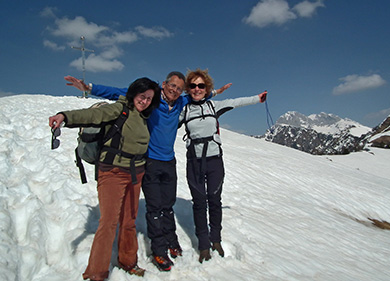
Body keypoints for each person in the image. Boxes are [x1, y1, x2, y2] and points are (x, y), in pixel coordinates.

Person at [64, 73, 231, 271]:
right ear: (164, 84)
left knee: (168, 205)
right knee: (154, 208)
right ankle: (159, 251)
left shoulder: (180, 102)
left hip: (169, 162)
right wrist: (89, 88)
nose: (175, 90)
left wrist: (215, 92)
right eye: (172, 86)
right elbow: (120, 93)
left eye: (179, 88)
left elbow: (198, 96)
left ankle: (172, 241)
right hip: (150, 162)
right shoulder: (151, 99)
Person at [49, 77, 161, 280]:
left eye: (149, 99)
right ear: (134, 93)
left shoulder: (144, 117)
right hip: (113, 172)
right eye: (142, 96)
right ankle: (96, 273)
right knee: (108, 222)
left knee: (129, 221)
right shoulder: (120, 108)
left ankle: (128, 262)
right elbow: (93, 115)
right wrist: (65, 116)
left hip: (136, 173)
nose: (144, 101)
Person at [178, 69, 267, 263]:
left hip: (214, 160)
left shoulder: (213, 105)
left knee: (214, 200)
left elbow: (236, 102)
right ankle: (203, 245)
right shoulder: (184, 110)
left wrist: (257, 99)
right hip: (194, 161)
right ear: (188, 89)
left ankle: (215, 239)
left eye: (201, 85)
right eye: (193, 86)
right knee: (199, 203)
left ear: (206, 88)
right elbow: (166, 124)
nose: (197, 89)